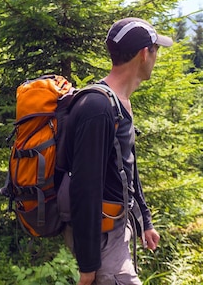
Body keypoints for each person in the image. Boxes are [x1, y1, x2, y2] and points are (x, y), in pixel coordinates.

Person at [62, 17, 172, 285]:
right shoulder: (97, 109)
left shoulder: (118, 102)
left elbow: (126, 166)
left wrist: (145, 220)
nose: (156, 57)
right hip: (103, 244)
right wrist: (89, 268)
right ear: (145, 54)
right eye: (156, 50)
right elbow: (84, 190)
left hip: (117, 232)